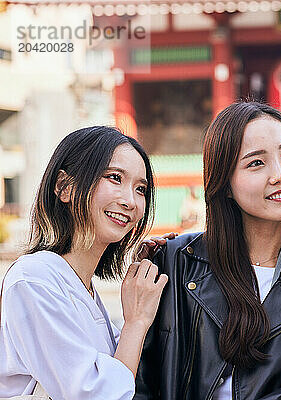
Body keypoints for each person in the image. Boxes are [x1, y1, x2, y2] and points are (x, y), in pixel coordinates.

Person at [134, 101, 281, 400]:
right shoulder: (175, 262)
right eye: (256, 163)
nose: (280, 174)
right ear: (224, 183)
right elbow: (139, 381)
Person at [0, 127, 167, 399]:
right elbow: (96, 394)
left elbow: (123, 369)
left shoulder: (84, 288)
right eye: (114, 178)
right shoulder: (34, 279)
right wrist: (135, 322)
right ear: (64, 187)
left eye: (140, 189)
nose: (130, 201)